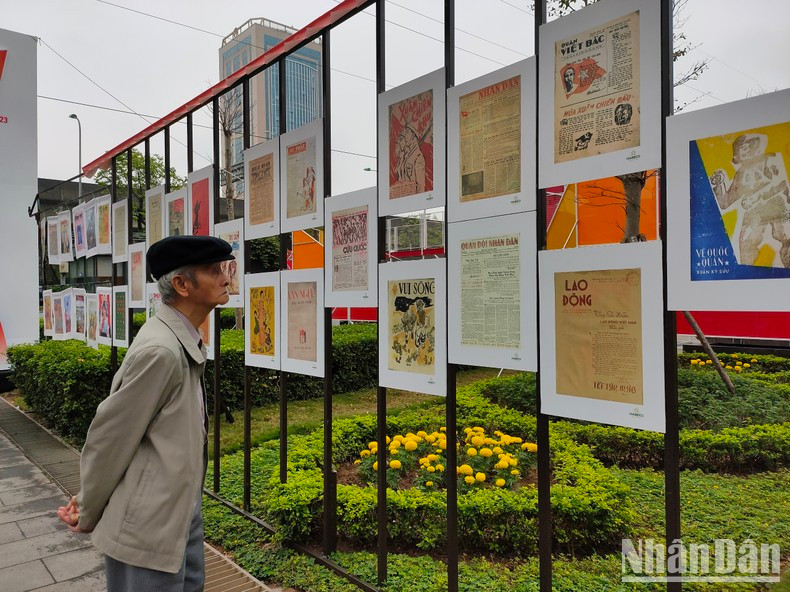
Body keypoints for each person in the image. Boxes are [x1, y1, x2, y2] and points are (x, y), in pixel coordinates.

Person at [57, 235, 233, 592]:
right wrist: (87, 509)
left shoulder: (178, 338)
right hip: (148, 527)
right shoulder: (162, 351)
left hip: (177, 513)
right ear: (181, 284)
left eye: (225, 268)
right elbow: (110, 437)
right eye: (214, 270)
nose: (226, 278)